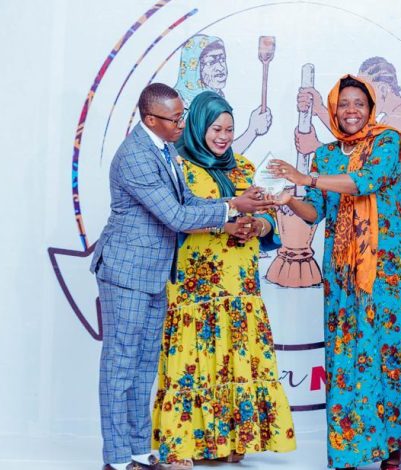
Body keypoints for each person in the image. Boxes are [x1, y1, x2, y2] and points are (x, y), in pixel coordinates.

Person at [89, 83, 272, 470]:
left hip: (156, 273)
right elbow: (175, 216)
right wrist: (231, 208)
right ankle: (117, 459)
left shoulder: (165, 149)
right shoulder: (136, 156)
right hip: (126, 271)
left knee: (143, 367)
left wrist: (232, 206)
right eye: (174, 119)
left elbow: (187, 201)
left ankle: (139, 452)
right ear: (150, 119)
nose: (181, 125)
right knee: (120, 366)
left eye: (182, 116)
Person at [269, 74, 401, 470]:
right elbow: (316, 211)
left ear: (371, 108)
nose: (351, 110)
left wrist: (305, 178)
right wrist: (289, 198)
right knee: (347, 356)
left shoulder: (387, 142)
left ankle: (392, 445)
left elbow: (365, 182)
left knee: (390, 352)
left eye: (359, 103)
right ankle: (348, 450)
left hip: (391, 272)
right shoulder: (325, 156)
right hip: (343, 273)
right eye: (343, 104)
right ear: (334, 110)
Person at [150, 91, 296, 467]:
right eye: (216, 128)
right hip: (195, 285)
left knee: (236, 360)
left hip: (239, 286)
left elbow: (270, 219)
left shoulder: (244, 167)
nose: (224, 136)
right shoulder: (177, 167)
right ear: (198, 126)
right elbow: (174, 219)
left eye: (229, 129)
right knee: (191, 363)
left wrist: (258, 226)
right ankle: (181, 445)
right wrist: (226, 222)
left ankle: (228, 440)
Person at [295, 56, 401, 257]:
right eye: (343, 104)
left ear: (382, 89)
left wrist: (315, 145)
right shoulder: (384, 122)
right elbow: (353, 147)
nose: (354, 108)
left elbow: (364, 166)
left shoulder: (398, 121)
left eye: (363, 98)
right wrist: (320, 111)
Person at [174, 34, 272, 154]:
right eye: (211, 62)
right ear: (193, 67)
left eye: (222, 59)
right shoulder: (181, 106)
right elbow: (209, 158)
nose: (220, 68)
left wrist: (253, 131)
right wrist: (252, 131)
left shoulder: (216, 99)